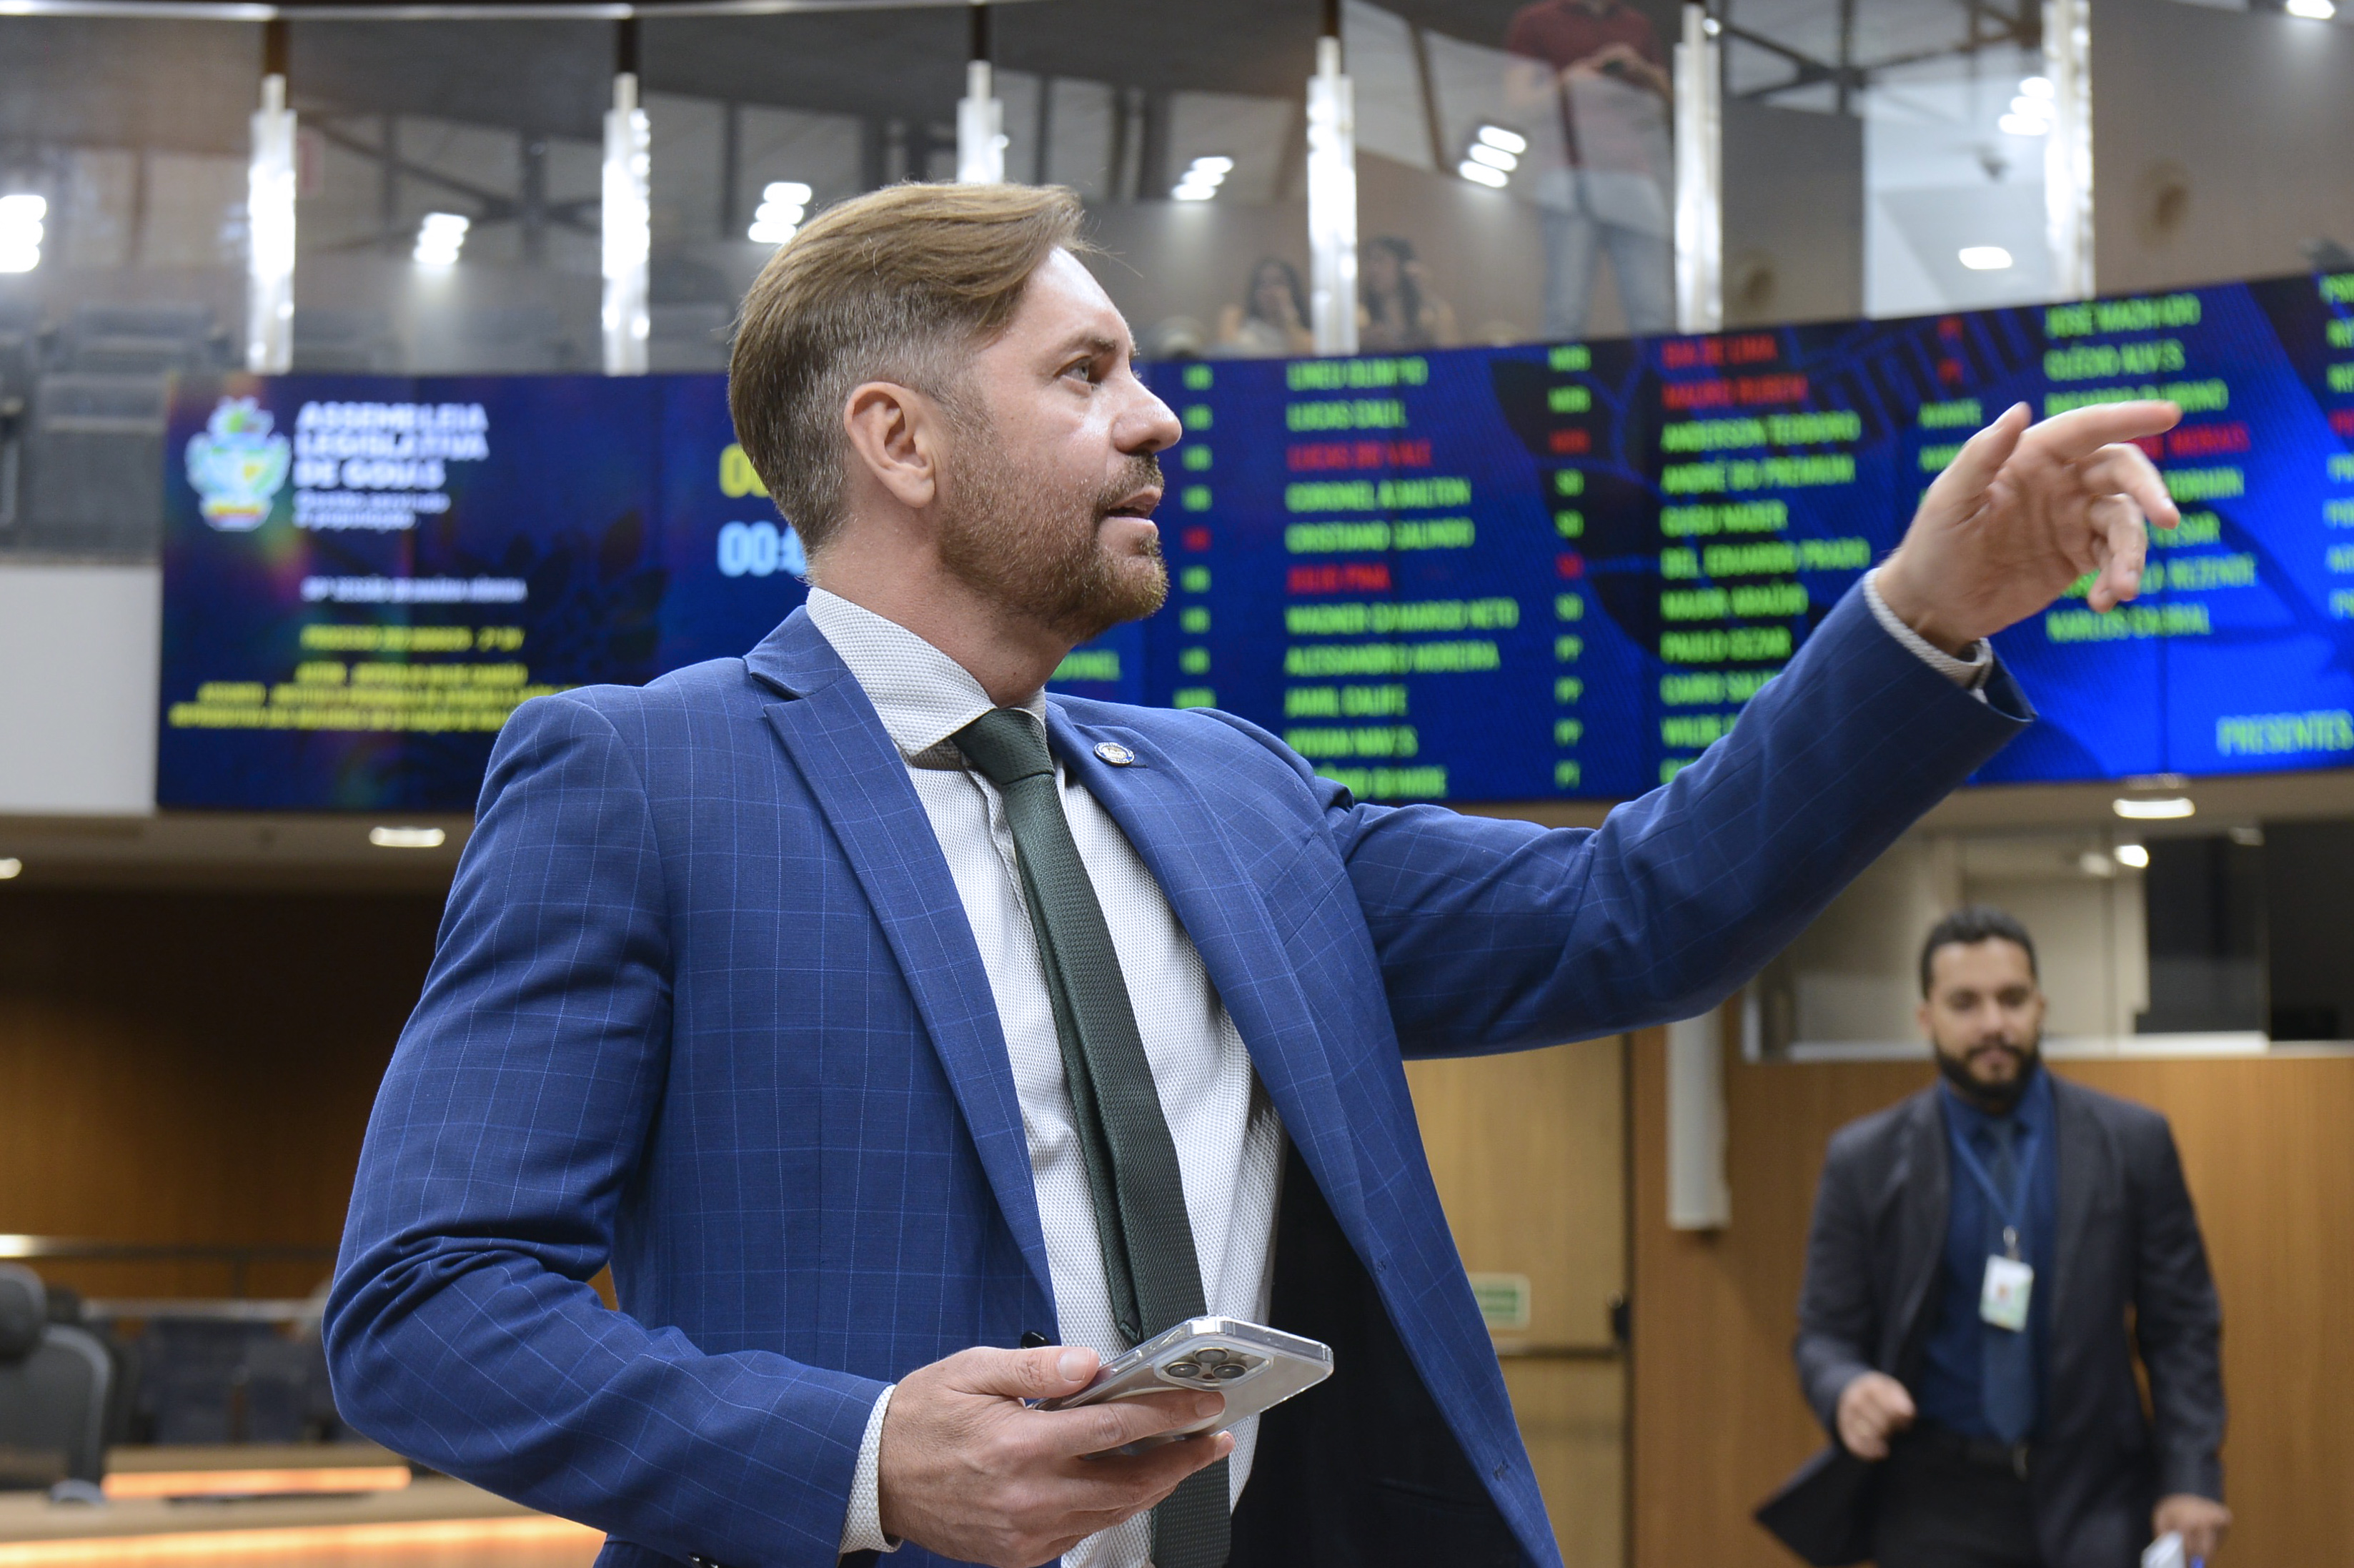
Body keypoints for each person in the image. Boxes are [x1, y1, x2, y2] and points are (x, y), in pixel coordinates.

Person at [324, 181, 2182, 1568]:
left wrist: (1923, 613)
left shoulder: (1227, 790)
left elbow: (1639, 911)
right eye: (1086, 373)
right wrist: (865, 1455)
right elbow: (423, 1308)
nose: (1157, 418)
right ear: (897, 439)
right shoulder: (639, 779)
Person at [1777, 908, 2228, 1568]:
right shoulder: (1865, 1161)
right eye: (1965, 1003)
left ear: (2040, 1007)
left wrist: (2191, 1474)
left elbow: (2181, 1326)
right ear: (1926, 1018)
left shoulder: (2133, 1143)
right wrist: (1846, 1388)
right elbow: (1823, 1335)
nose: (1993, 1023)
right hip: (1934, 1500)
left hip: (2097, 1492)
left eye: (2012, 999)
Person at [1505, 0, 1677, 339]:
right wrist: (1569, 81)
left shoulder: (1636, 25)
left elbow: (1670, 102)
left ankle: (1653, 372)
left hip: (1633, 173)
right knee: (1566, 309)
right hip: (1569, 173)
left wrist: (1640, 68)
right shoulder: (1536, 22)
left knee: (1653, 309)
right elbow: (1519, 105)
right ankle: (1564, 373)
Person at [1358, 237, 1459, 352]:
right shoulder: (1361, 317)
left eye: (1380, 260)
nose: (1373, 269)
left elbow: (1451, 351)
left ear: (1404, 266)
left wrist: (1425, 292)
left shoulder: (1428, 315)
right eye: (1369, 261)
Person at [1211, 257, 1313, 358]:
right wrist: (1228, 322)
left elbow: (1304, 359)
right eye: (1262, 284)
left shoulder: (1306, 333)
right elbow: (1225, 357)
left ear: (1293, 289)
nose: (1270, 291)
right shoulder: (1240, 327)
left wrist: (1289, 320)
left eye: (1278, 283)